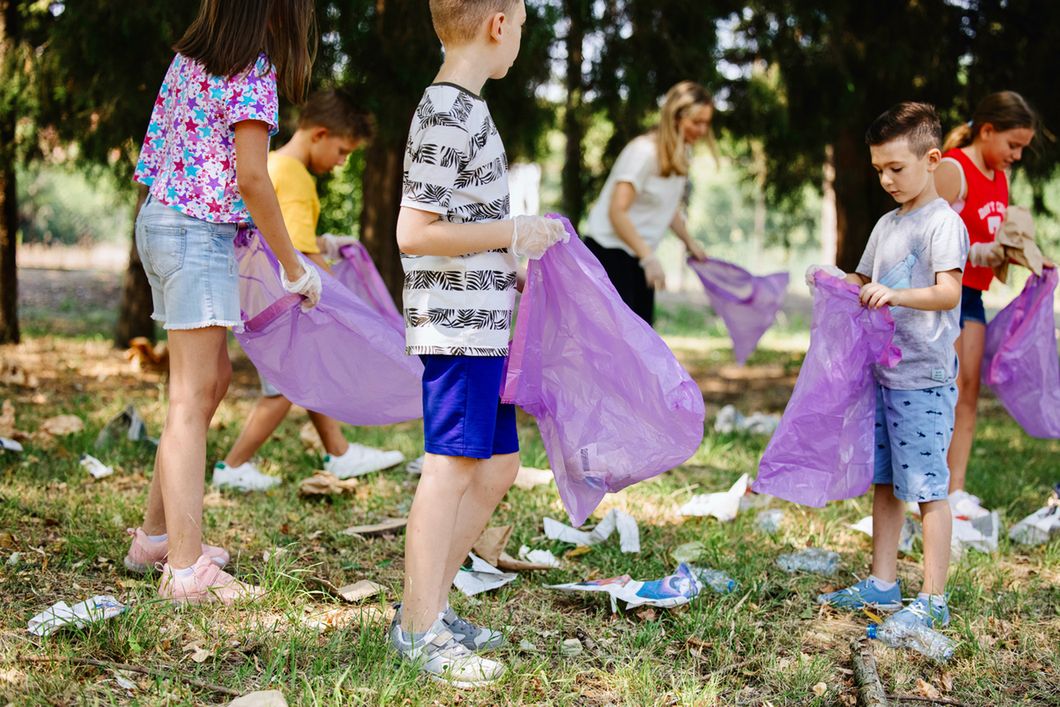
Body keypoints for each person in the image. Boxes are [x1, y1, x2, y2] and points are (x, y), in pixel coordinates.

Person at [387, 0, 567, 688]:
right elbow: (415, 232)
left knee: (495, 468)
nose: (520, 39)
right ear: (498, 25)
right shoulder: (446, 112)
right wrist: (510, 231)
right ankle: (417, 629)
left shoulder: (472, 110)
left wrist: (513, 257)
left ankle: (425, 605)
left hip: (486, 323)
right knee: (450, 468)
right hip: (457, 328)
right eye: (521, 25)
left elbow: (464, 221)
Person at [122, 0, 322, 604]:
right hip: (193, 233)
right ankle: (186, 573)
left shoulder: (189, 59)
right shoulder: (253, 68)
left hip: (162, 221)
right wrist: (294, 266)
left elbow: (157, 156)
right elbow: (253, 178)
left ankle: (157, 539)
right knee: (190, 397)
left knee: (206, 383)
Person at [817, 103, 969, 630]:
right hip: (883, 376)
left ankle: (932, 597)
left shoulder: (942, 223)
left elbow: (950, 292)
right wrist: (837, 283)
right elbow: (864, 281)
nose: (886, 179)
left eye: (896, 168)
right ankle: (883, 583)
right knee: (886, 481)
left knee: (927, 487)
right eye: (879, 169)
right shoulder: (886, 224)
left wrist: (896, 295)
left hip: (923, 380)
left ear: (932, 160)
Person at [213, 90, 405, 491]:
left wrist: (324, 244)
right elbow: (297, 251)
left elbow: (281, 232)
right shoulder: (297, 179)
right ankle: (233, 466)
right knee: (286, 387)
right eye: (342, 151)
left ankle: (338, 452)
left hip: (260, 294)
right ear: (319, 134)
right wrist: (339, 296)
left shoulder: (273, 165)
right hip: (281, 300)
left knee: (308, 371)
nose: (341, 163)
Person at [934, 91, 1037, 499]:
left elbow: (992, 241)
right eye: (1013, 145)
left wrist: (1023, 255)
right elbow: (925, 235)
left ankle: (954, 491)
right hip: (942, 294)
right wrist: (978, 251)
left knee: (969, 389)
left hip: (973, 295)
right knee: (945, 388)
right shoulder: (954, 169)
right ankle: (928, 488)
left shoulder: (1001, 179)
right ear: (987, 130)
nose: (1017, 155)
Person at [582, 80, 717, 324]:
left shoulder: (682, 153)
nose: (702, 130)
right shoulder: (643, 152)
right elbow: (617, 212)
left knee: (643, 338)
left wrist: (690, 242)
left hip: (638, 256)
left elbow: (668, 206)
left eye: (706, 123)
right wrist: (648, 258)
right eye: (696, 122)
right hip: (609, 253)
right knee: (620, 340)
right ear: (676, 118)